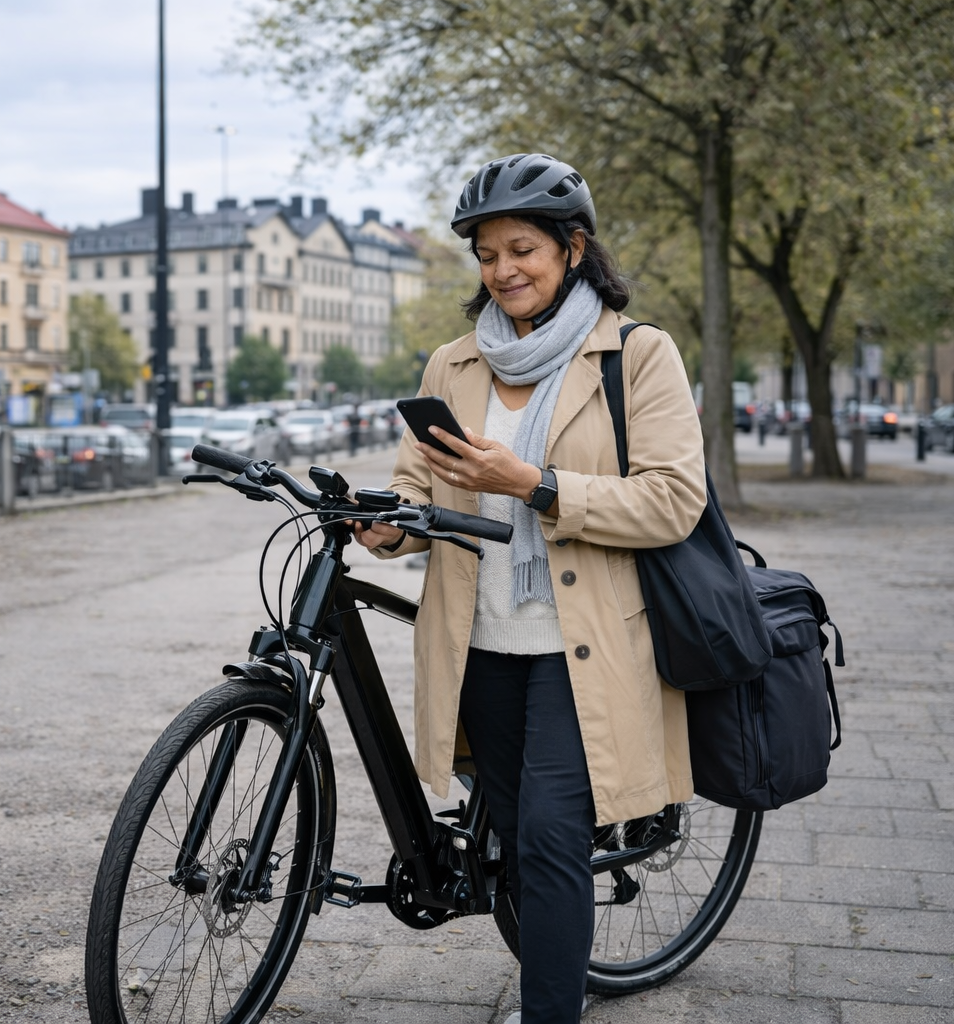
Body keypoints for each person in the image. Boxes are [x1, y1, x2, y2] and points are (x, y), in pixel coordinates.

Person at [353, 153, 706, 1024]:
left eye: (522, 249)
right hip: (481, 644)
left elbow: (673, 501)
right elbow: (420, 486)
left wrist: (536, 485)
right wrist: (388, 524)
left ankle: (550, 1011)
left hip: (586, 647)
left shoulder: (636, 355)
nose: (503, 269)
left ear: (572, 248)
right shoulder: (454, 365)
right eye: (486, 253)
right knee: (516, 834)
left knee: (551, 837)